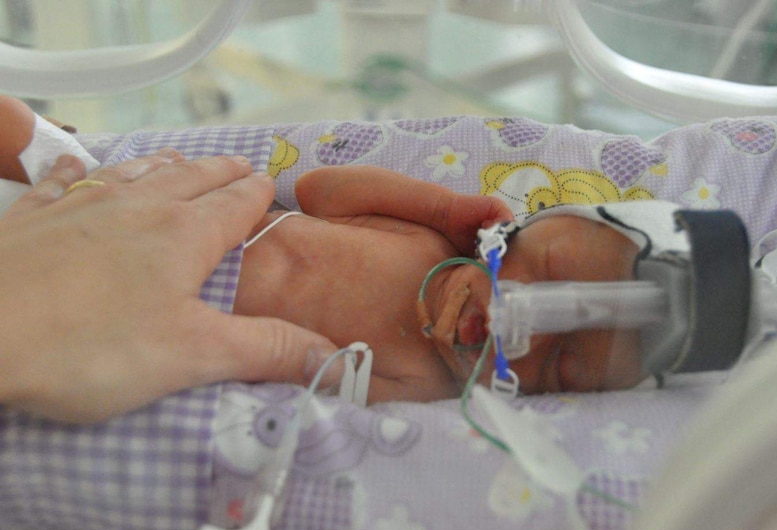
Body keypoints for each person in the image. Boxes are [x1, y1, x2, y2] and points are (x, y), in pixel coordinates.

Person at [0, 96, 644, 420]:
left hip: (136, 327)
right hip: (142, 217)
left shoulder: (427, 385)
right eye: (552, 273)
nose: (526, 322)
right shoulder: (424, 243)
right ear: (511, 234)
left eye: (564, 363)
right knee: (42, 147)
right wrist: (440, 209)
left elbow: (301, 397)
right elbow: (317, 191)